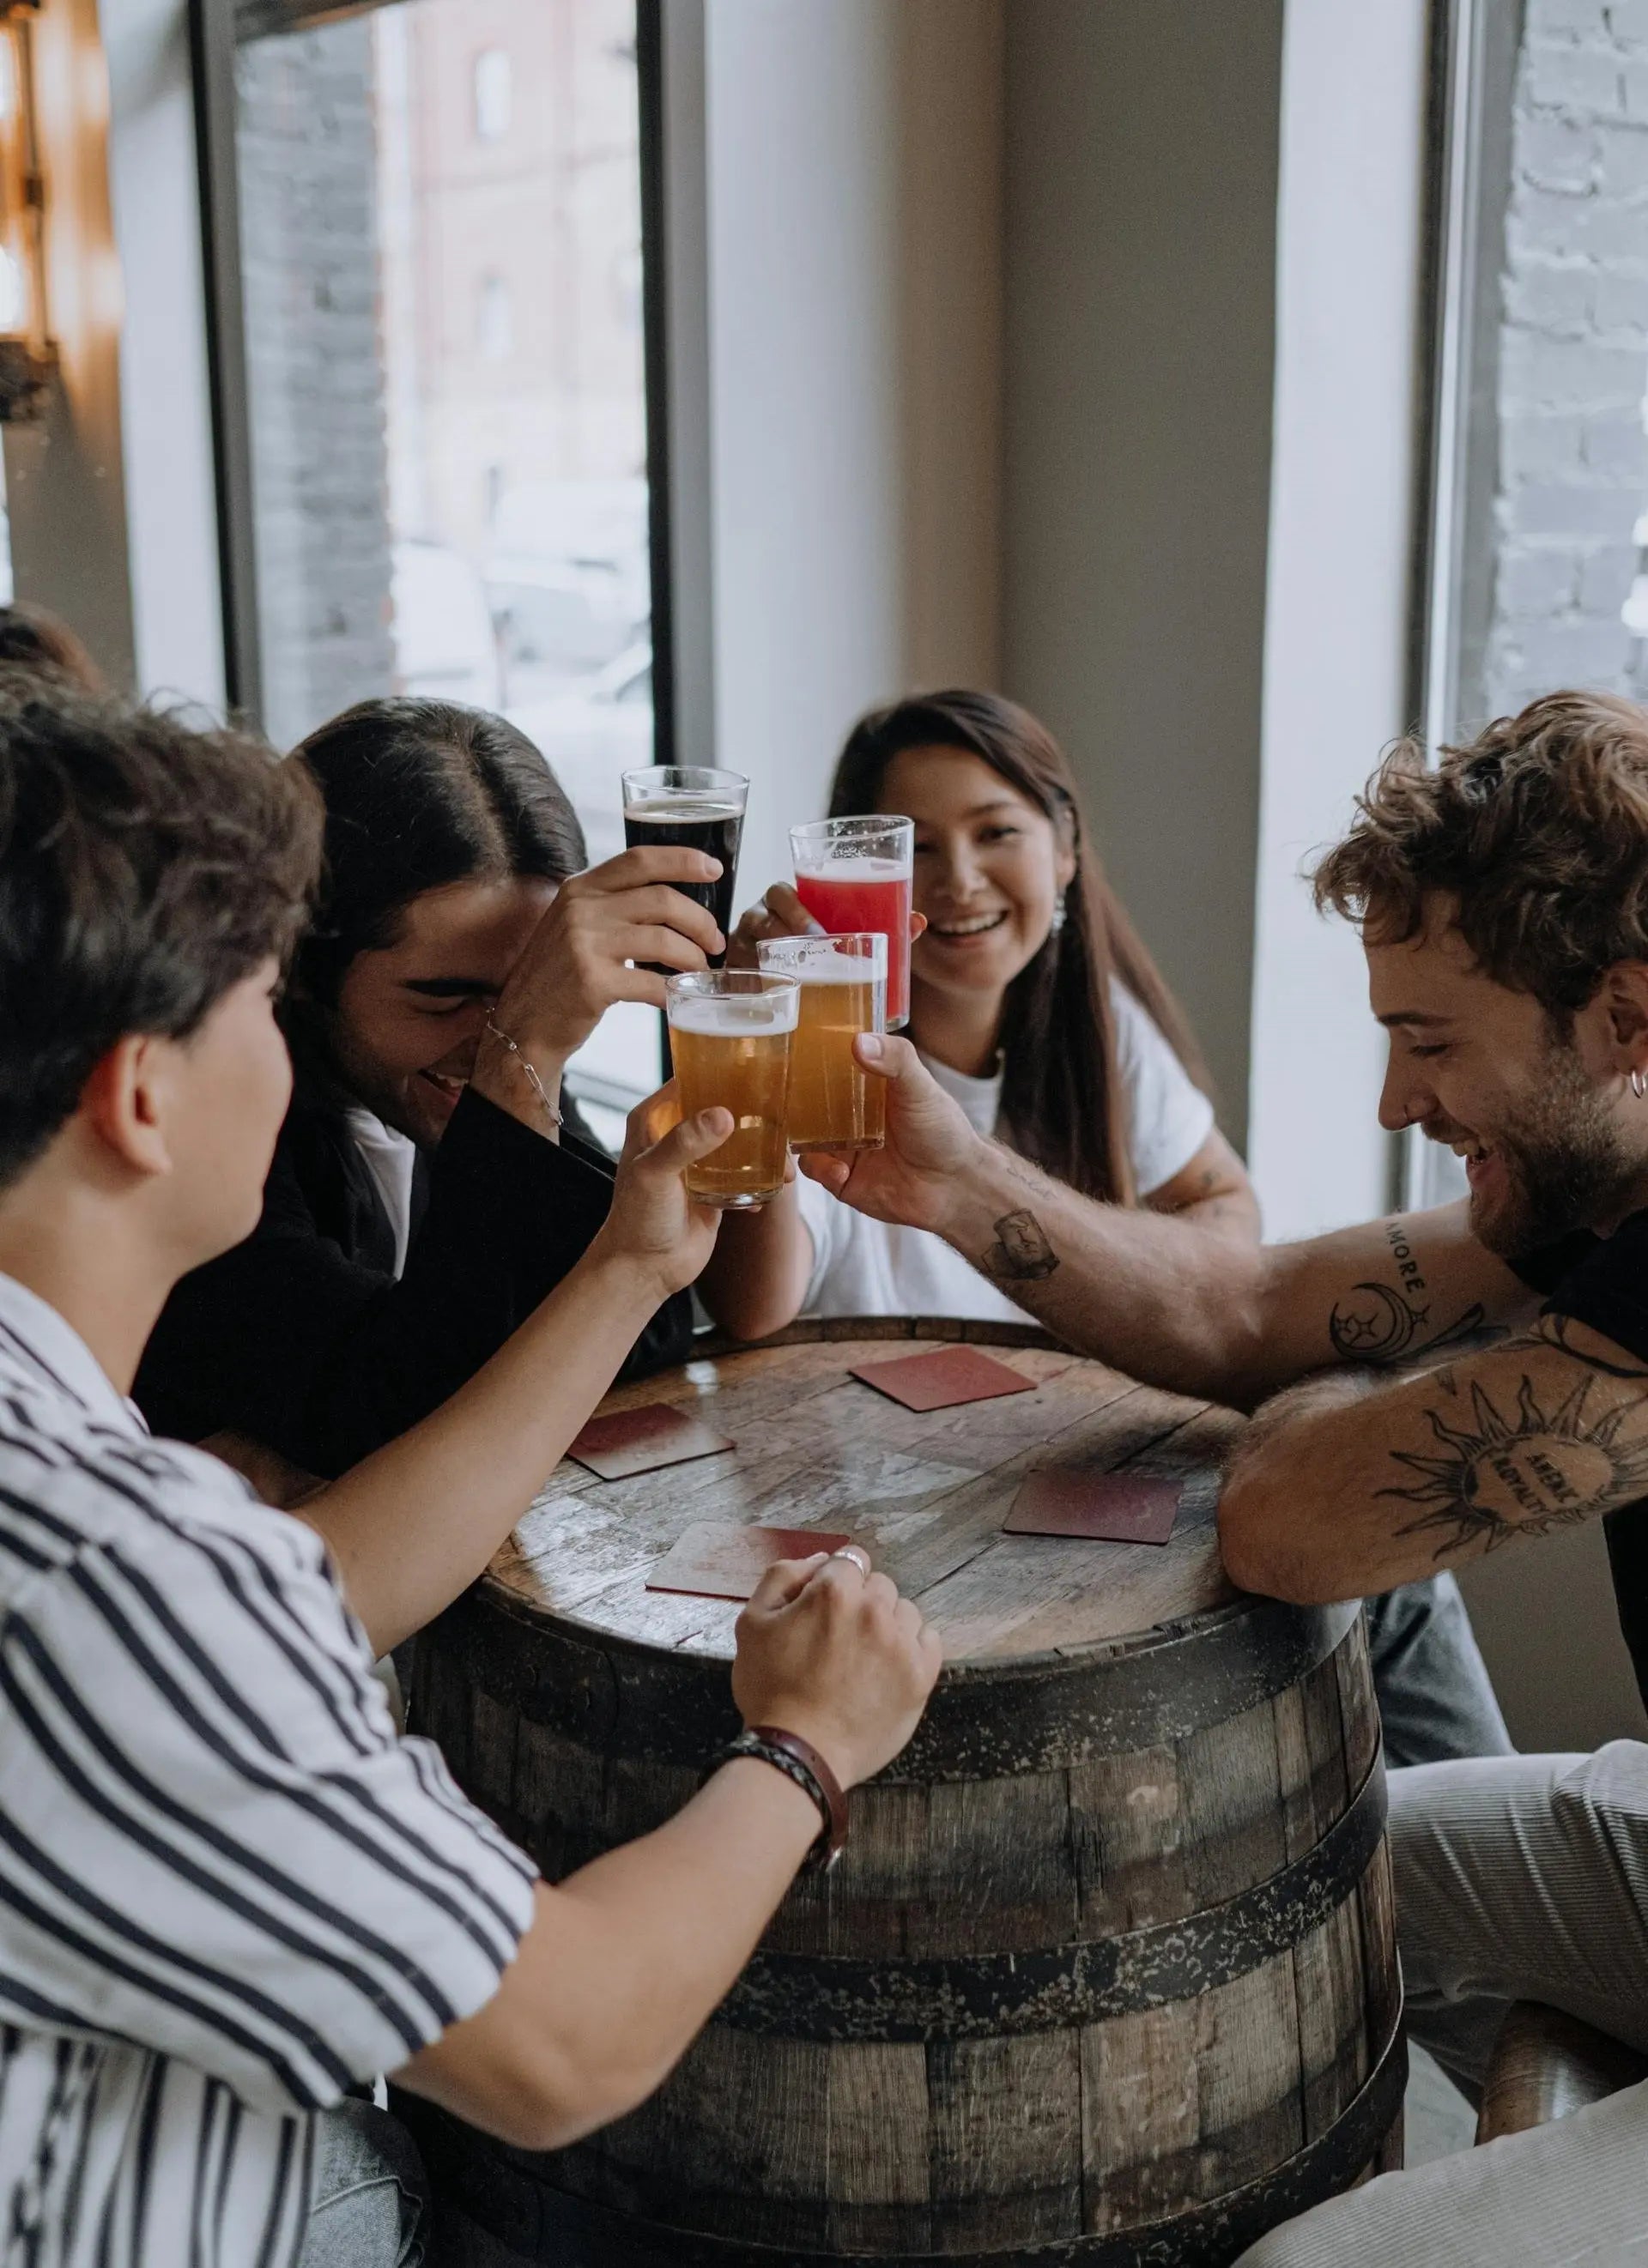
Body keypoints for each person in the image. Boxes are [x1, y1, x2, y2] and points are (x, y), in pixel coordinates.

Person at [0, 676, 940, 2268]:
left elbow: (315, 1586)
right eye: (251, 1000)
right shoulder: (119, 1565)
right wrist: (804, 1747)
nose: (281, 1048)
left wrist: (630, 1266)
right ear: (140, 1093)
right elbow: (567, 2047)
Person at [792, 687, 1648, 2263]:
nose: (1398, 1103)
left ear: (1631, 1017)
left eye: (1430, 1041)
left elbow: (1286, 1518)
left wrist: (1321, 1410)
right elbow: (1245, 1306)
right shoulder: (1591, 1174)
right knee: (1286, 1886)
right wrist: (953, 1170)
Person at [702, 687, 1510, 1772]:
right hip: (899, 1518)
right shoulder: (834, 1063)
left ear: (1067, 850)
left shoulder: (1096, 1034)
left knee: (1397, 1568)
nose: (958, 882)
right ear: (860, 880)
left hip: (1065, 1477)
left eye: (997, 833)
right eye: (920, 848)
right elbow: (752, 1310)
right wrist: (752, 1055)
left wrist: (1095, 1289)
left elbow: (1229, 1216)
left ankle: (1444, 1866)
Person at [136, 697, 724, 1483]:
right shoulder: (210, 1127)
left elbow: (647, 1335)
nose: (488, 1038)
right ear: (304, 968)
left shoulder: (497, 1055)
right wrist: (521, 1061)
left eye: (525, 991)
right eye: (442, 998)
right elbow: (395, 1416)